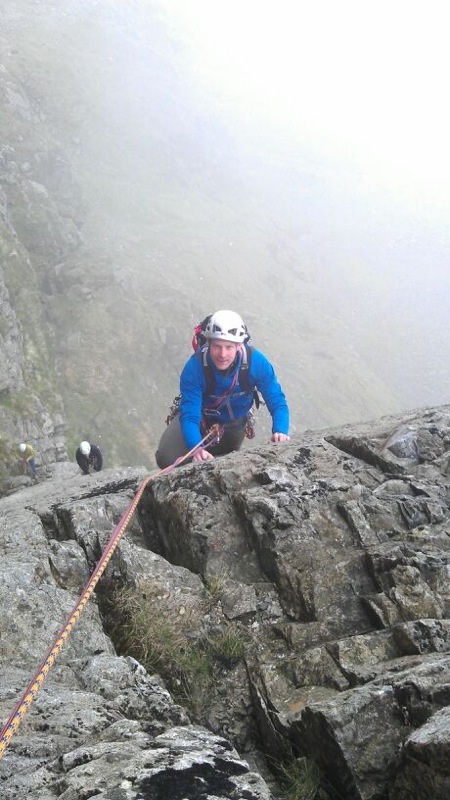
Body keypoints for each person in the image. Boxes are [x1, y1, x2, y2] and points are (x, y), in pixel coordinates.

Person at [155, 309, 290, 469]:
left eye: (229, 347)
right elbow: (190, 416)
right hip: (200, 419)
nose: (222, 354)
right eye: (217, 346)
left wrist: (280, 430)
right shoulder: (195, 367)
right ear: (209, 343)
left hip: (234, 425)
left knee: (224, 465)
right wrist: (196, 449)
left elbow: (277, 401)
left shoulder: (256, 363)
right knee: (166, 458)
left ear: (239, 346)